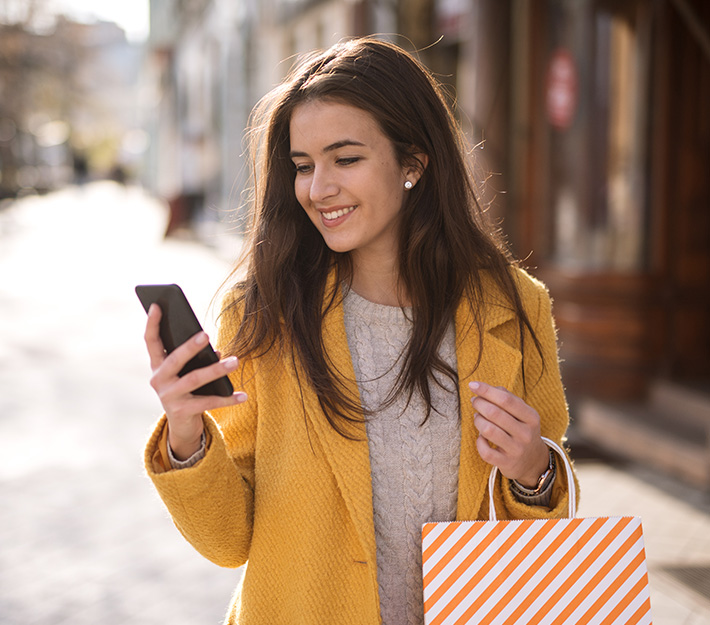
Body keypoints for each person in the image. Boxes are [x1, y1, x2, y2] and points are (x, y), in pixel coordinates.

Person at [143, 37, 577, 625]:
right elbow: (228, 541)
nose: (318, 189)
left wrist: (534, 473)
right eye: (302, 166)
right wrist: (186, 434)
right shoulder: (263, 314)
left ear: (413, 163)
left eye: (345, 159)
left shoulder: (515, 308)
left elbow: (543, 537)